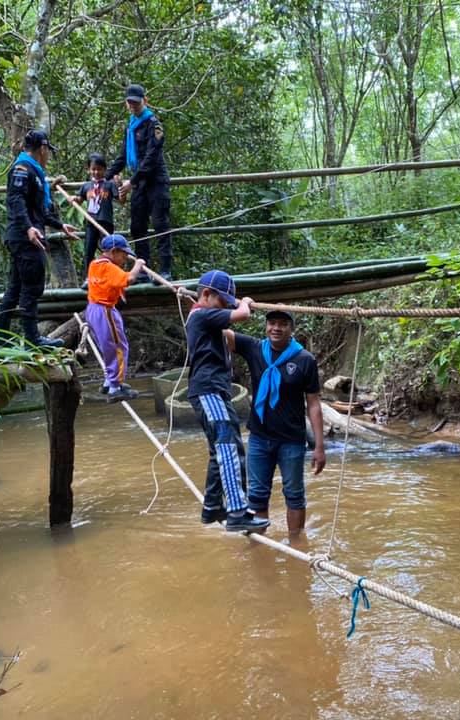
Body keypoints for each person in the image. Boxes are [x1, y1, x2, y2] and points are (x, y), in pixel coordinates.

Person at [228, 310, 325, 536]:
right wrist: (201, 308)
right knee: (257, 495)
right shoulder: (254, 348)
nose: (276, 328)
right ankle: (259, 545)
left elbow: (313, 404)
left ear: (292, 329)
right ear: (266, 326)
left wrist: (319, 446)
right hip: (259, 438)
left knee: (294, 495)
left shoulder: (304, 359)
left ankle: (297, 543)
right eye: (272, 323)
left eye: (283, 324)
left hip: (292, 441)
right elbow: (220, 330)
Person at [186, 270, 269, 533]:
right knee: (229, 447)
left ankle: (212, 507)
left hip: (212, 390)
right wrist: (245, 303)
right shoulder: (202, 315)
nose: (227, 308)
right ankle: (237, 512)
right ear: (206, 295)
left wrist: (236, 304)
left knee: (220, 449)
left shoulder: (205, 318)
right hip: (209, 389)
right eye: (224, 302)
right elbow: (242, 315)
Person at [0, 129, 78, 348]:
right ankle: (32, 339)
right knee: (32, 287)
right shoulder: (22, 169)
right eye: (48, 150)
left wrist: (60, 225)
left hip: (25, 235)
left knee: (15, 288)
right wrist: (29, 228)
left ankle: (0, 338)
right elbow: (16, 201)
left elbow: (37, 210)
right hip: (25, 238)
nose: (48, 155)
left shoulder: (34, 171)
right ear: (43, 149)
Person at [105, 83, 173, 281]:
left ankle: (165, 269)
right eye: (130, 102)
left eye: (136, 102)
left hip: (155, 181)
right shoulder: (131, 125)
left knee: (160, 223)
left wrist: (131, 182)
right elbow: (123, 155)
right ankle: (142, 268)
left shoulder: (153, 124)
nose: (133, 105)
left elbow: (152, 157)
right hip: (139, 183)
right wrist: (104, 177)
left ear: (145, 101)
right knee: (137, 226)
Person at [86, 234, 145, 402]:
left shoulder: (94, 264)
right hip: (104, 310)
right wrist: (139, 264)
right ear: (114, 251)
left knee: (107, 347)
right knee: (119, 347)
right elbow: (129, 278)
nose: (126, 258)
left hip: (92, 309)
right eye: (124, 254)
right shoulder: (109, 267)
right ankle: (115, 387)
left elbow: (114, 281)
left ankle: (109, 382)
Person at [74, 153, 117, 282]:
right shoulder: (86, 186)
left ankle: (110, 276)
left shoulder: (109, 185)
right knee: (89, 250)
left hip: (106, 222)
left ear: (104, 169)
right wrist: (73, 199)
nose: (96, 172)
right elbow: (79, 200)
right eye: (93, 169)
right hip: (91, 222)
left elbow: (121, 200)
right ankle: (89, 277)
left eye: (99, 169)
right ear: (88, 169)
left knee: (108, 249)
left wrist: (120, 186)